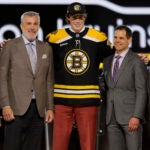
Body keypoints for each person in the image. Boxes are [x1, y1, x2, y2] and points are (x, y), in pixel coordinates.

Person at [46, 2, 148, 150]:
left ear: (85, 17)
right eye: (74, 17)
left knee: (88, 146)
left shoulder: (98, 38)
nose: (77, 20)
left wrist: (138, 57)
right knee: (59, 146)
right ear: (68, 17)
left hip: (88, 101)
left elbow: (118, 53)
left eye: (81, 16)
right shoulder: (54, 38)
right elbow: (39, 56)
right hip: (62, 100)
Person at [0, 11, 54, 150]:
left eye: (35, 24)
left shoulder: (46, 48)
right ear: (21, 26)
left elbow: (48, 80)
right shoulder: (10, 46)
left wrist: (49, 108)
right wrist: (5, 105)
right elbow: (2, 77)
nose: (32, 27)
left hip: (38, 110)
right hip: (15, 109)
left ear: (39, 26)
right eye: (28, 23)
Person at [103, 25, 148, 150]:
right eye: (115, 37)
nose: (117, 40)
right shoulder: (107, 61)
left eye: (121, 38)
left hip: (130, 117)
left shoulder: (136, 61)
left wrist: (137, 116)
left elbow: (142, 90)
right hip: (111, 117)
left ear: (129, 40)